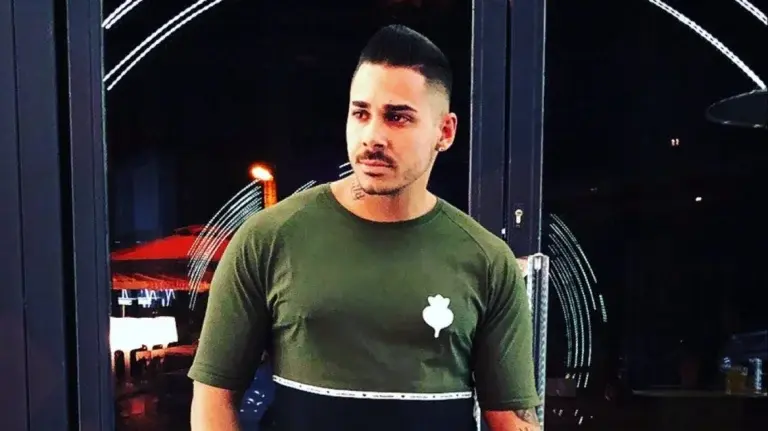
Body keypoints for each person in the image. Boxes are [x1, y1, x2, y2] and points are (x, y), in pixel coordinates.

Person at [188, 24, 541, 431]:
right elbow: (214, 397)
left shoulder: (487, 261)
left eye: (397, 117)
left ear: (444, 132)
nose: (373, 136)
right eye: (361, 114)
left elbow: (512, 420)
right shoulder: (268, 239)